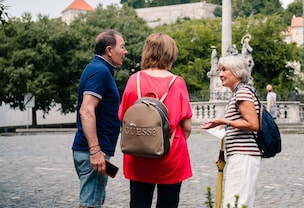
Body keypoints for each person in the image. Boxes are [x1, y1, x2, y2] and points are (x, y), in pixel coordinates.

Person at [118, 33, 193, 208]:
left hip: (138, 153)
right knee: (168, 203)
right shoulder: (177, 82)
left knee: (139, 203)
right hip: (170, 154)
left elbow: (123, 117)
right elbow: (187, 126)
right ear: (171, 54)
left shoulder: (133, 80)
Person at [72, 29, 128, 208]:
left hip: (92, 151)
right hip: (93, 153)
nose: (125, 51)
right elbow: (86, 110)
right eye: (122, 46)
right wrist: (95, 151)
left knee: (96, 199)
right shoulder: (100, 71)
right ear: (109, 50)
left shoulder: (98, 68)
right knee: (89, 204)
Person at [201, 54, 261, 208]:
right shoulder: (239, 92)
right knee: (235, 201)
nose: (220, 74)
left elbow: (253, 124)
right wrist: (222, 126)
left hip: (243, 155)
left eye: (224, 70)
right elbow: (242, 122)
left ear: (237, 72)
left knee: (236, 202)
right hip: (240, 154)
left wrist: (224, 121)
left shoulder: (242, 93)